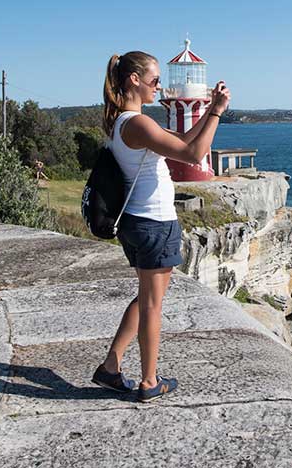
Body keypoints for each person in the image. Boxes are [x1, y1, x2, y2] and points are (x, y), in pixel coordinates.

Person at [93, 51, 229, 402]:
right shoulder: (137, 124)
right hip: (153, 223)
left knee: (146, 299)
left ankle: (111, 366)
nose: (160, 87)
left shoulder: (126, 122)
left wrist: (209, 109)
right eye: (155, 80)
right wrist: (214, 112)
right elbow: (194, 154)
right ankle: (149, 380)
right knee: (153, 305)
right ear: (133, 80)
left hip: (140, 222)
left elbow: (184, 142)